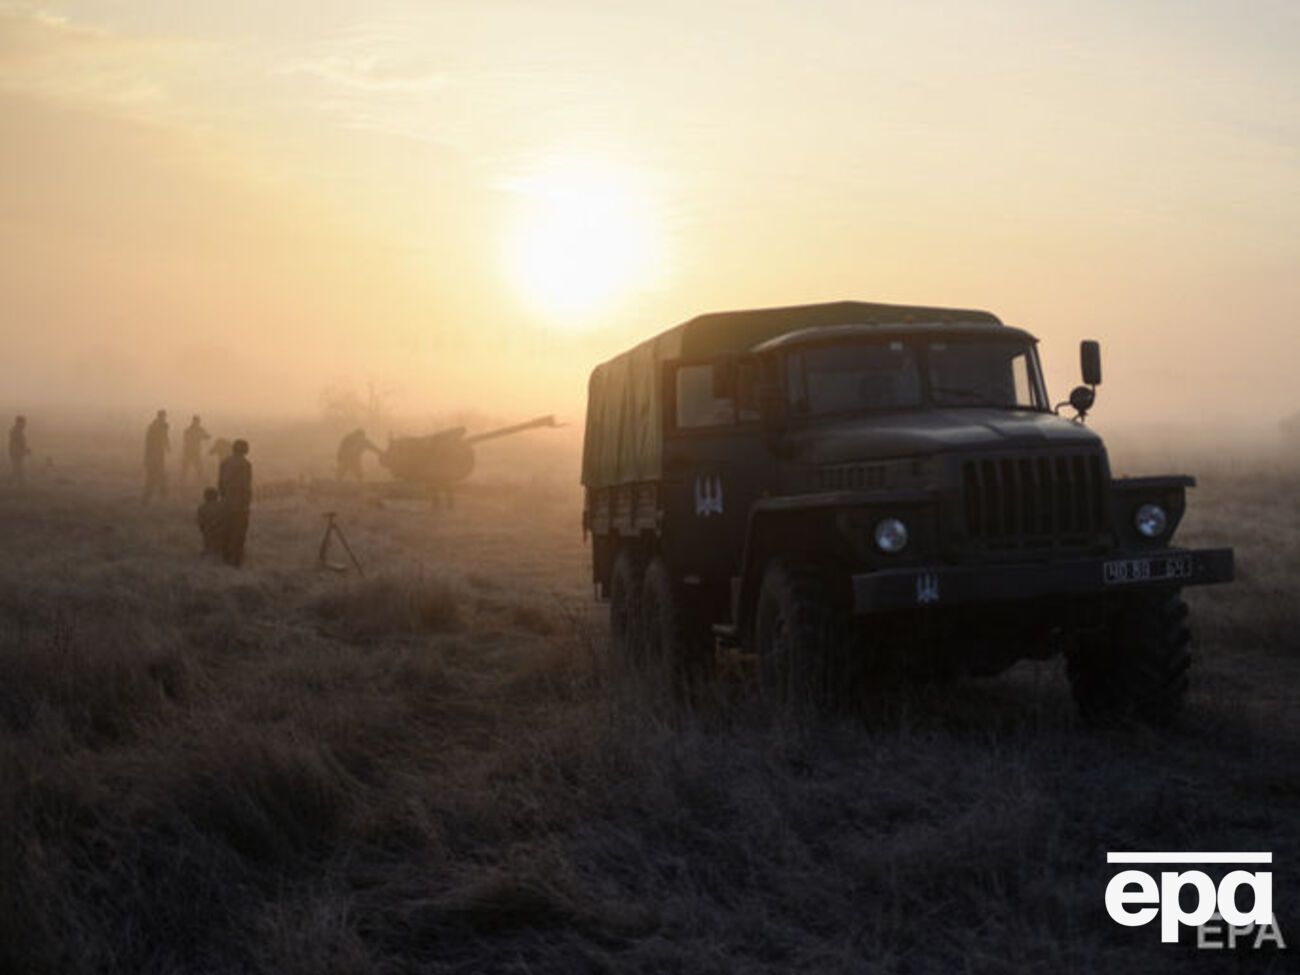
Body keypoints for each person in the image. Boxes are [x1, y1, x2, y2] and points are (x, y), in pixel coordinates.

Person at [218, 439, 252, 567]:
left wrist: (223, 498)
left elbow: (220, 483)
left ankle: (225, 557)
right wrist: (247, 503)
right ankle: (236, 561)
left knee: (226, 530)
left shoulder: (225, 462)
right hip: (240, 504)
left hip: (226, 501)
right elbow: (246, 486)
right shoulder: (245, 464)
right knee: (239, 533)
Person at [142, 409, 170, 504]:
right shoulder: (153, 427)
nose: (163, 418)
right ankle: (146, 499)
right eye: (162, 416)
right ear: (159, 416)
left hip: (159, 455)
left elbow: (165, 437)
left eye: (164, 416)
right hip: (152, 456)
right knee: (151, 478)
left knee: (161, 476)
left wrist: (167, 447)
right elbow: (148, 443)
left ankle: (162, 496)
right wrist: (147, 458)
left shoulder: (164, 426)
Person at [180, 415, 211, 486]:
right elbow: (186, 439)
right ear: (194, 421)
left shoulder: (197, 430)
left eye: (197, 421)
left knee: (198, 468)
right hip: (190, 452)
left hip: (194, 452)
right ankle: (182, 482)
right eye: (196, 421)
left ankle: (199, 482)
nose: (197, 423)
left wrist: (207, 436)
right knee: (186, 469)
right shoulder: (190, 430)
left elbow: (205, 436)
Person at [196, 487, 224, 556]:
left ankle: (210, 550)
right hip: (217, 528)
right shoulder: (220, 506)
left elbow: (200, 519)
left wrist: (202, 526)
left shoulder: (203, 507)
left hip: (209, 528)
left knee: (208, 539)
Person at [8, 415, 30, 485]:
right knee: (17, 469)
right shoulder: (16, 432)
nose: (25, 424)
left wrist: (25, 450)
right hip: (16, 454)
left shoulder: (18, 431)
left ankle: (17, 483)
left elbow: (20, 444)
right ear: (18, 422)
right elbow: (16, 445)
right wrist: (24, 451)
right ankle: (16, 484)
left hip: (18, 454)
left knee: (18, 469)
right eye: (23, 423)